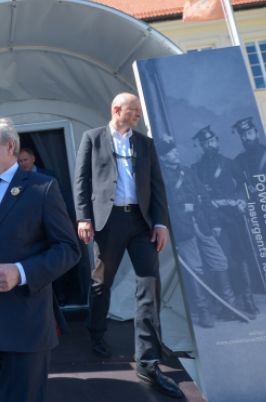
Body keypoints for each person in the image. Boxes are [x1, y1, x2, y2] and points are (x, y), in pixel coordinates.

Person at [0, 118, 80, 402]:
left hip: (24, 326)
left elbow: (68, 249)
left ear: (10, 147)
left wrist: (21, 272)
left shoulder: (42, 188)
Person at [74, 93, 181, 399]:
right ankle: (96, 333)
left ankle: (147, 361)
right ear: (117, 110)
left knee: (150, 284)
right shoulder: (92, 139)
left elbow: (157, 185)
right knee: (101, 282)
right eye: (134, 111)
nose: (138, 115)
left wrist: (160, 224)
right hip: (109, 223)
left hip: (141, 223)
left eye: (139, 111)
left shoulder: (145, 144)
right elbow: (81, 180)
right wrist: (84, 217)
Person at [158, 138, 238, 328]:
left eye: (175, 151)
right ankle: (204, 311)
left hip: (201, 223)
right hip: (181, 228)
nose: (176, 154)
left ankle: (230, 306)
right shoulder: (160, 177)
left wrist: (215, 223)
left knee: (220, 261)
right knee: (195, 269)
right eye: (171, 152)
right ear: (163, 156)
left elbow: (205, 198)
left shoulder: (187, 171)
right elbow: (160, 207)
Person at [191, 125, 256, 318]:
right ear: (201, 146)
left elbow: (244, 186)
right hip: (211, 219)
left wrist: (241, 202)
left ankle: (248, 299)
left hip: (232, 216)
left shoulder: (229, 163)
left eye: (212, 141)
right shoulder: (196, 169)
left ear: (217, 141)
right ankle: (227, 304)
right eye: (205, 143)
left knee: (241, 256)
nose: (209, 145)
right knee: (218, 260)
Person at [18, 147, 89, 306]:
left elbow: (64, 197)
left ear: (33, 158)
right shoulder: (18, 178)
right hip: (31, 229)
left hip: (51, 225)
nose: (23, 164)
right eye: (20, 161)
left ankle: (61, 294)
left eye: (25, 160)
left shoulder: (49, 174)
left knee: (54, 259)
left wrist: (78, 218)